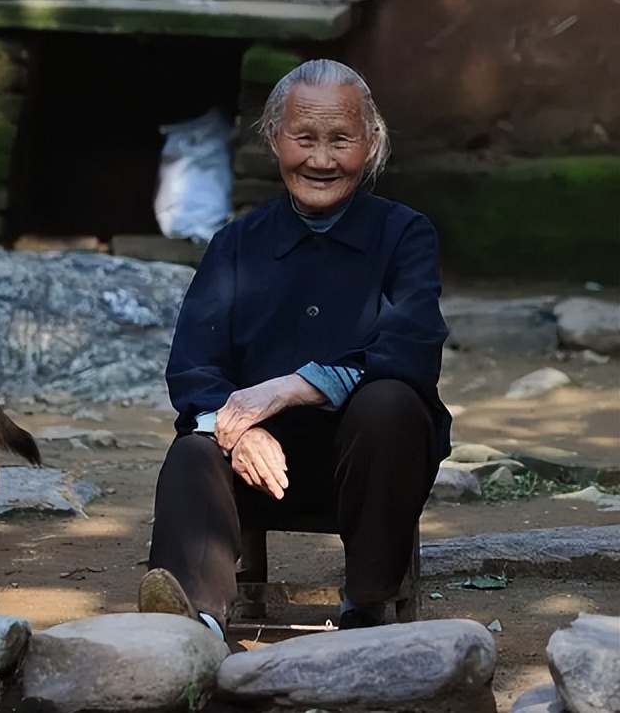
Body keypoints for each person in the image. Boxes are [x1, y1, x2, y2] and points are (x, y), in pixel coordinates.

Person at [137, 58, 451, 636]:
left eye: (341, 140)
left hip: (370, 469)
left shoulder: (403, 234)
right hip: (255, 471)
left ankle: (364, 607)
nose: (322, 160)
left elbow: (412, 347)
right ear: (274, 140)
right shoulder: (235, 244)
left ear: (372, 141)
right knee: (192, 450)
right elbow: (192, 367)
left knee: (391, 404)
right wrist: (239, 427)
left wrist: (295, 386)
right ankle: (191, 625)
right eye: (304, 138)